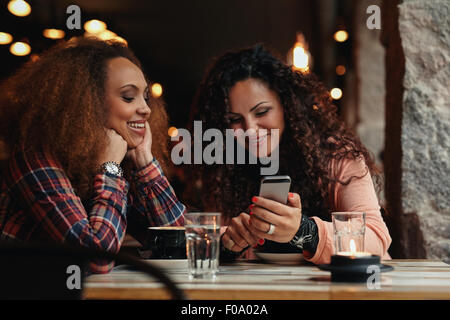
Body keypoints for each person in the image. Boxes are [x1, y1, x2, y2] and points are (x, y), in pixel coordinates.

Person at [189, 44, 391, 264]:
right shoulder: (225, 169)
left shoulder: (336, 155)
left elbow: (376, 241)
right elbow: (224, 254)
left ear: (286, 105)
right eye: (234, 120)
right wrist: (230, 245)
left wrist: (304, 231)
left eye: (262, 111)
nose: (250, 129)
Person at [0, 37, 185, 273]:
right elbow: (96, 258)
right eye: (129, 96)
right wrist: (109, 170)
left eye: (145, 97)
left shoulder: (123, 159)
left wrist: (144, 160)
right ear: (87, 103)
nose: (146, 109)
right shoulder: (34, 159)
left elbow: (177, 243)